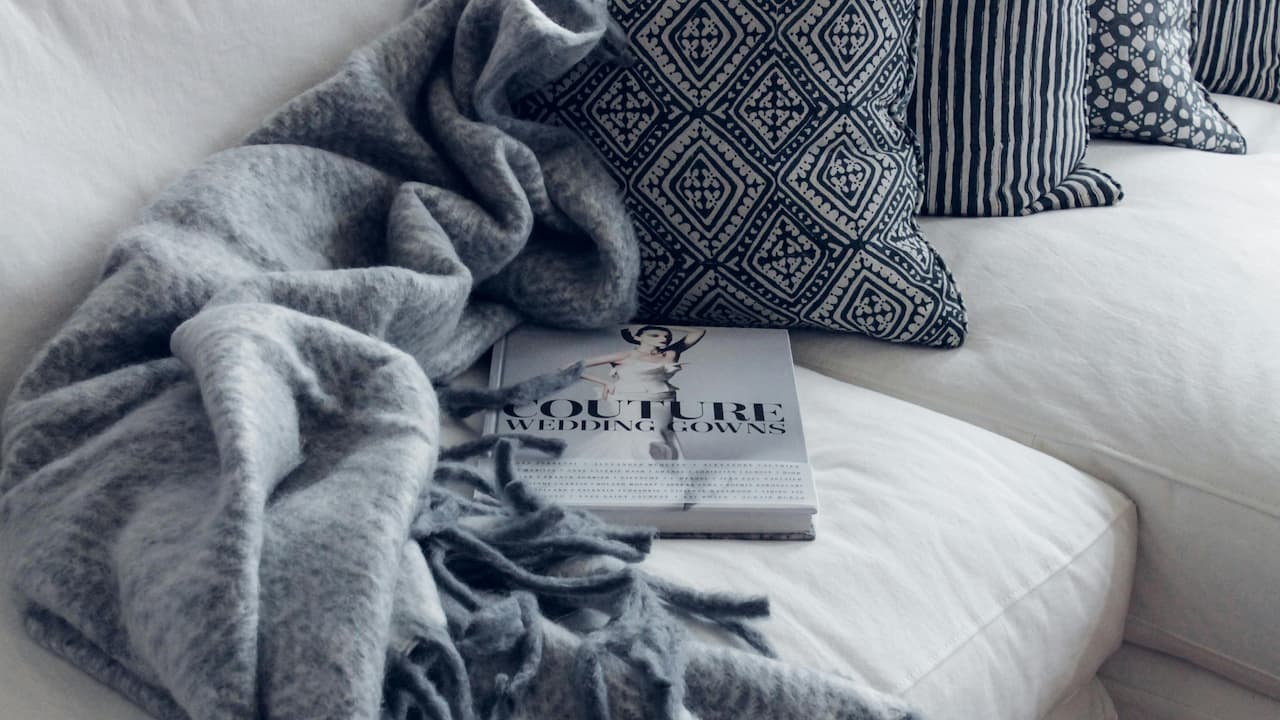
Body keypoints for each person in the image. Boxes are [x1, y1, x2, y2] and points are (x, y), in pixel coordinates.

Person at [572, 325, 705, 460]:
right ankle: (642, 474)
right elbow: (569, 368)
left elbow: (699, 331)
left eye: (667, 336)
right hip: (629, 400)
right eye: (655, 335)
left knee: (664, 437)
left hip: (664, 401)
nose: (664, 338)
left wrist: (662, 324)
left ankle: (660, 475)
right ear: (637, 337)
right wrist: (605, 382)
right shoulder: (625, 355)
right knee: (645, 437)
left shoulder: (672, 352)